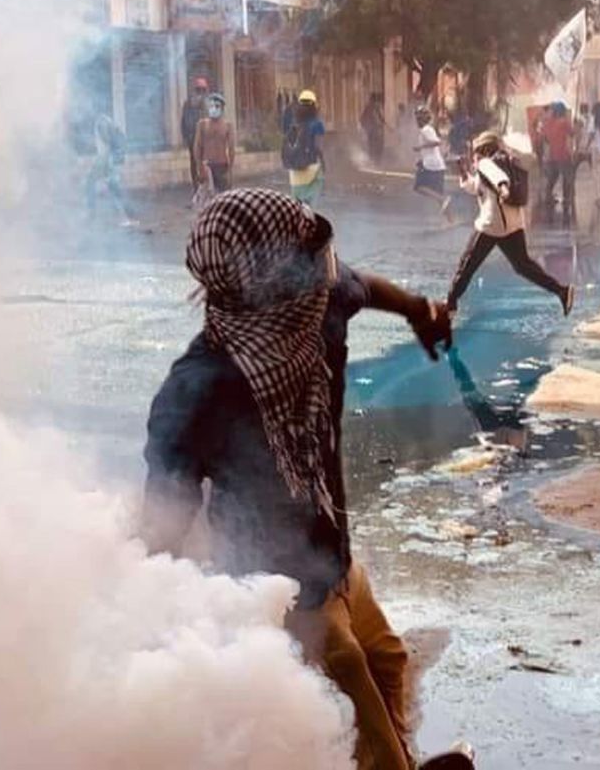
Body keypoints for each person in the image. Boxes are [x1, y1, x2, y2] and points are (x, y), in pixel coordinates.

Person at [141, 188, 454, 770]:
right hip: (277, 592)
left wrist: (420, 311)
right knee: (354, 696)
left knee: (388, 662)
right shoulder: (201, 388)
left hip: (335, 559)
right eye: (304, 263)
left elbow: (362, 283)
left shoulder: (315, 304)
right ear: (261, 279)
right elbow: (164, 523)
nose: (324, 275)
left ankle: (392, 756)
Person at [446, 131, 574, 316]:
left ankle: (450, 305)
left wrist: (503, 188)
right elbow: (476, 188)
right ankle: (562, 291)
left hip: (491, 226)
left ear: (483, 150)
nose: (473, 156)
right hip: (513, 225)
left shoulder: (486, 163)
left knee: (467, 265)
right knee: (523, 266)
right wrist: (462, 172)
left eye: (475, 152)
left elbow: (497, 177)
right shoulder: (506, 163)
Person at [285, 90, 326, 205]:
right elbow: (319, 147)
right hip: (311, 169)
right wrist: (323, 164)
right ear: (314, 105)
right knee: (310, 208)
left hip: (294, 173)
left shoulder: (294, 125)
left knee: (297, 207)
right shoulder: (317, 124)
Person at [412, 105, 451, 220]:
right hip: (437, 164)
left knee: (418, 187)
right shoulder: (428, 129)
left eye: (418, 118)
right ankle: (451, 220)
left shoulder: (425, 130)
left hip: (431, 165)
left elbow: (436, 142)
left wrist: (420, 147)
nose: (417, 120)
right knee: (439, 194)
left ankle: (441, 200)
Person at [85, 113, 128, 217]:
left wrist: (107, 164)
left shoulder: (101, 122)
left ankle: (91, 212)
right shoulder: (105, 121)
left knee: (92, 182)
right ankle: (125, 214)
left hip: (107, 159)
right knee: (113, 187)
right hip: (109, 159)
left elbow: (108, 143)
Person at [194, 92, 235, 193]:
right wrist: (199, 167)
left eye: (217, 106)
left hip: (222, 166)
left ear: (222, 108)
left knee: (224, 199)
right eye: (211, 106)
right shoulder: (202, 124)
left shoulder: (228, 125)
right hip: (206, 165)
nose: (214, 109)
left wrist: (229, 171)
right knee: (207, 200)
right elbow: (197, 146)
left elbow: (231, 148)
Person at [540, 101, 574, 224]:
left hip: (551, 156)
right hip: (563, 155)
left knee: (552, 179)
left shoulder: (547, 123)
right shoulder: (564, 122)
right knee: (567, 178)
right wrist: (577, 125)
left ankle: (547, 197)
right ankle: (566, 198)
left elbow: (544, 137)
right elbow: (572, 133)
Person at [180, 77, 209, 195]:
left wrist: (185, 136)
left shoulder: (193, 103)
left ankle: (200, 188)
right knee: (199, 163)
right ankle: (199, 188)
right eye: (201, 90)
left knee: (198, 163)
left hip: (197, 138)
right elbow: (184, 122)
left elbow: (183, 122)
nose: (201, 93)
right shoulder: (198, 103)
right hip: (197, 138)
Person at [360, 92, 386, 164]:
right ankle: (375, 160)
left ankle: (373, 159)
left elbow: (362, 119)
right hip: (374, 129)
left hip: (371, 129)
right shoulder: (375, 107)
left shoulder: (369, 107)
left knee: (372, 145)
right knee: (376, 144)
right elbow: (380, 118)